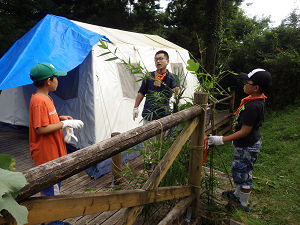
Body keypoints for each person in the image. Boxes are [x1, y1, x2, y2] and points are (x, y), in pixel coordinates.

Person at [208, 68, 272, 212]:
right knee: (240, 170)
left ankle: (243, 204)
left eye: (247, 82)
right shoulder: (254, 101)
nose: (244, 84)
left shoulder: (253, 106)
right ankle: (237, 194)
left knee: (243, 174)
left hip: (247, 145)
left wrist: (221, 139)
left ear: (255, 88)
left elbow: (244, 131)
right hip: (247, 144)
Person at [29, 63, 84, 224]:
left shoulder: (45, 97)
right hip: (47, 156)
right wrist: (64, 125)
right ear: (48, 81)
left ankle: (52, 220)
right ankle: (52, 222)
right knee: (50, 192)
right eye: (56, 78)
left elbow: (46, 120)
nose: (58, 80)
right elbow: (40, 129)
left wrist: (60, 118)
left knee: (53, 189)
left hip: (53, 152)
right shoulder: (39, 101)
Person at [133, 50, 179, 123]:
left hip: (164, 115)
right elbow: (141, 92)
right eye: (156, 59)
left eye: (160, 59)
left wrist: (175, 88)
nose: (158, 61)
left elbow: (177, 93)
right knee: (146, 134)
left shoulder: (173, 77)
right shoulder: (149, 76)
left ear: (167, 61)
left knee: (162, 134)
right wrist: (135, 107)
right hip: (148, 114)